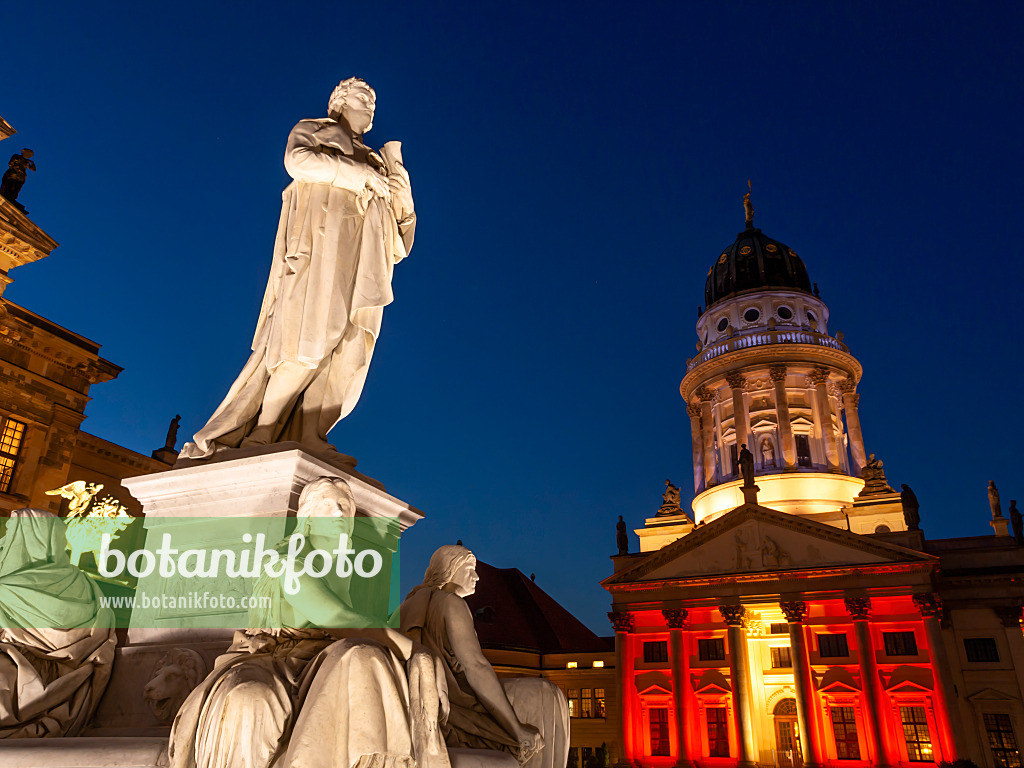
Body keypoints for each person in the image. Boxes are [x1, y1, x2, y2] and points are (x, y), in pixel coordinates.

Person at [182, 78, 415, 460]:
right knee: (308, 340)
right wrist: (359, 176)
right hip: (321, 251)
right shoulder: (316, 131)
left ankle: (312, 434)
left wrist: (394, 175)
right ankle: (264, 430)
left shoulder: (376, 159)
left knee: (351, 351)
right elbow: (297, 161)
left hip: (365, 261)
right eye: (362, 97)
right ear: (338, 102)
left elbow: (401, 233)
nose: (370, 105)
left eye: (373, 101)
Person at [168, 478, 449, 768]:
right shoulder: (288, 561)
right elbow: (338, 618)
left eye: (344, 507)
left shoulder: (342, 568)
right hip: (274, 658)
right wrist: (416, 650)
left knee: (364, 656)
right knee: (252, 699)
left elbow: (351, 625)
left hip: (316, 657)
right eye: (327, 506)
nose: (339, 514)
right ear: (308, 519)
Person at [399, 546, 569, 768]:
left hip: (432, 700)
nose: (477, 577)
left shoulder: (410, 604)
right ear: (450, 570)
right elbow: (476, 667)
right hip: (456, 704)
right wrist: (515, 727)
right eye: (470, 569)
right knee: (548, 696)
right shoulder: (451, 602)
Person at [0, 509, 115, 737]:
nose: (3, 540)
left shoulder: (6, 587)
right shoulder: (87, 585)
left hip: (20, 679)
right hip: (67, 683)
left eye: (10, 532)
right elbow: (101, 641)